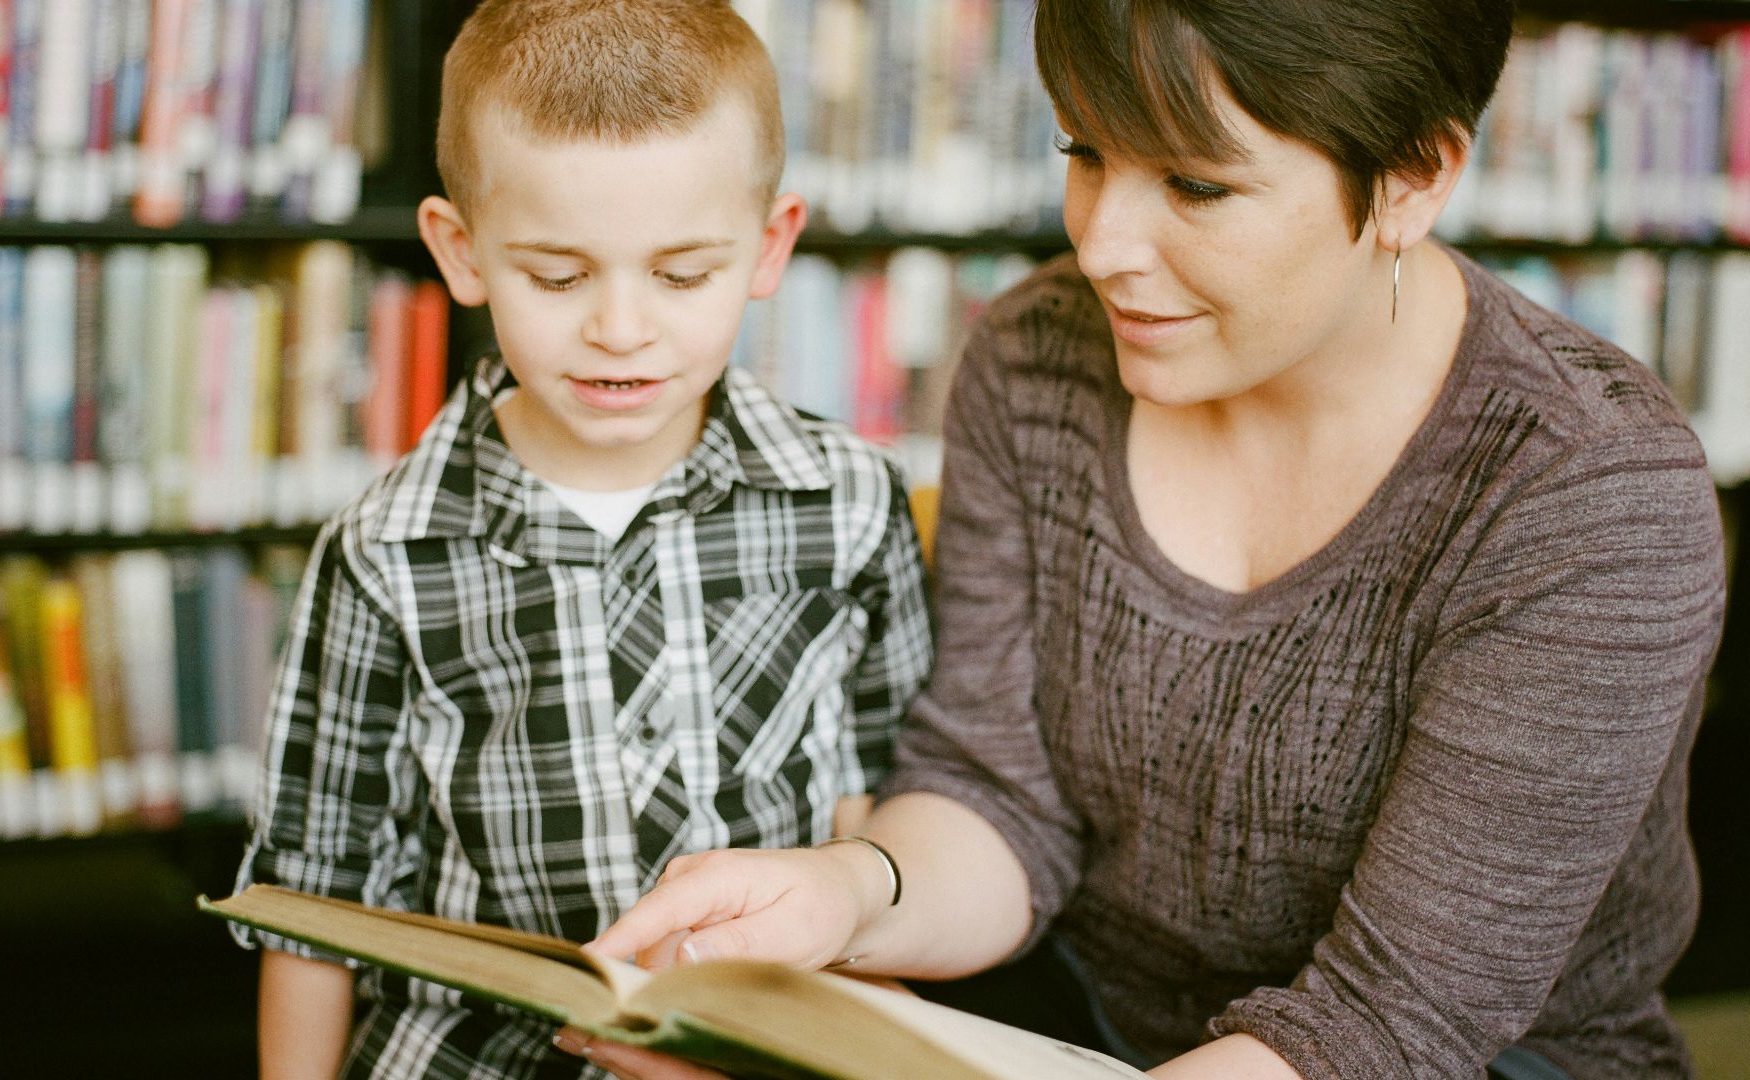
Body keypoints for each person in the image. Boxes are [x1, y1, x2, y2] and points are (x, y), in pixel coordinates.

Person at [571, 1, 1728, 1078]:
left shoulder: (1585, 490)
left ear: (1414, 179)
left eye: (1195, 184)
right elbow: (997, 798)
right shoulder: (1036, 357)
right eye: (1085, 153)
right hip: (1081, 1029)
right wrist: (846, 895)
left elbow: (1388, 1024)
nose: (1103, 244)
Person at [229, 2, 934, 1077]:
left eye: (682, 273)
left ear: (770, 245)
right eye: (557, 277)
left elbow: (888, 810)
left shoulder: (848, 500)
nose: (620, 329)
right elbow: (313, 898)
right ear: (460, 254)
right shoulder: (387, 551)